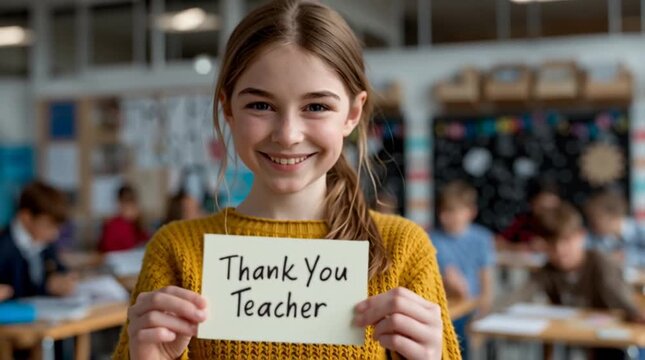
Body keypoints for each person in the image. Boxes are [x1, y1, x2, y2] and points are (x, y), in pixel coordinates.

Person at [112, 1, 460, 359]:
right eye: (261, 106)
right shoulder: (175, 251)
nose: (288, 134)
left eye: (316, 106)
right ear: (228, 109)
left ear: (352, 114)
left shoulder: (402, 251)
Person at [518, 202, 644, 360]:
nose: (560, 250)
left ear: (582, 237)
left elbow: (621, 299)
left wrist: (636, 313)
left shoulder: (601, 263)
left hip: (611, 340)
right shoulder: (548, 269)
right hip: (576, 334)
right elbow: (521, 293)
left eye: (566, 241)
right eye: (552, 244)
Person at [431, 180, 495, 359]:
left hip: (470, 310)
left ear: (470, 212)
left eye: (451, 211)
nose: (444, 217)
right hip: (444, 308)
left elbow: (486, 286)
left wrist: (481, 318)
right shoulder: (431, 239)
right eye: (442, 211)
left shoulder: (482, 239)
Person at [0, 181, 77, 299]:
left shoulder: (43, 240)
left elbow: (58, 267)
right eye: (48, 226)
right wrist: (47, 288)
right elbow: (17, 291)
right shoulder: (4, 246)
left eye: (57, 227)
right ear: (26, 217)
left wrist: (63, 279)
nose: (55, 234)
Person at [584, 189, 645, 268]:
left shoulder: (641, 231)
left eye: (595, 221)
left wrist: (626, 257)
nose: (592, 226)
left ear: (614, 217)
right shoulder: (594, 239)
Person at [499, 177, 561, 250]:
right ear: (532, 204)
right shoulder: (523, 221)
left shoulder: (564, 222)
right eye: (542, 207)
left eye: (551, 208)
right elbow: (498, 243)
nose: (546, 213)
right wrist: (522, 247)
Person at [99, 184, 149, 253]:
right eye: (126, 202)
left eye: (132, 203)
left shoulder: (136, 225)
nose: (130, 207)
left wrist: (139, 222)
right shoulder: (113, 225)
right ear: (119, 204)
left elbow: (147, 243)